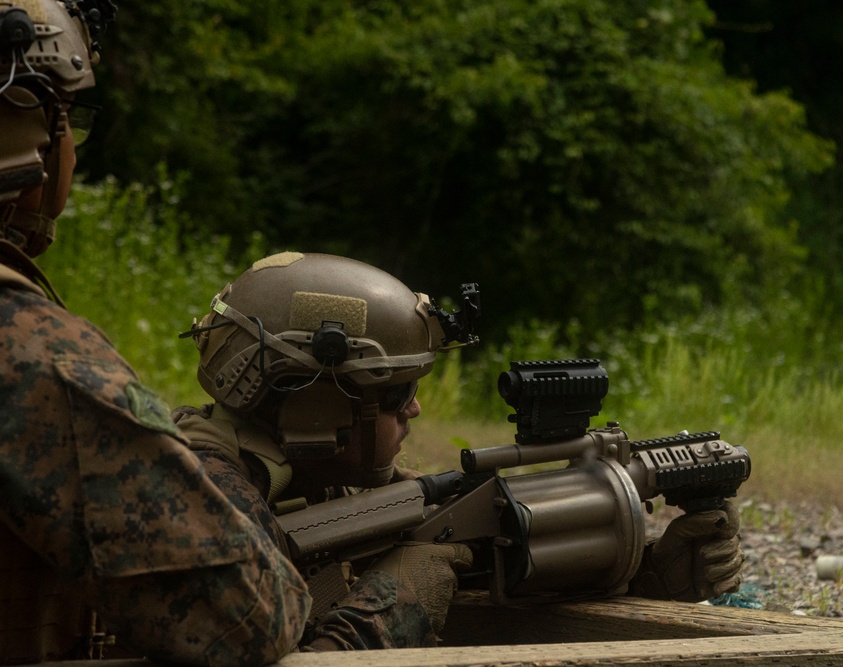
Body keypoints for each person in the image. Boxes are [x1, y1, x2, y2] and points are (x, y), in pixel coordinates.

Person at [173, 250, 745, 650]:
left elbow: (481, 568)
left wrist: (647, 573)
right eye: (397, 393)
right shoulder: (201, 501)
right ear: (315, 405)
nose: (414, 410)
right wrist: (405, 594)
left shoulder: (320, 482)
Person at [0, 2, 310, 663]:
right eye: (66, 120)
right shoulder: (31, 353)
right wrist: (226, 471)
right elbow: (247, 618)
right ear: (24, 127)